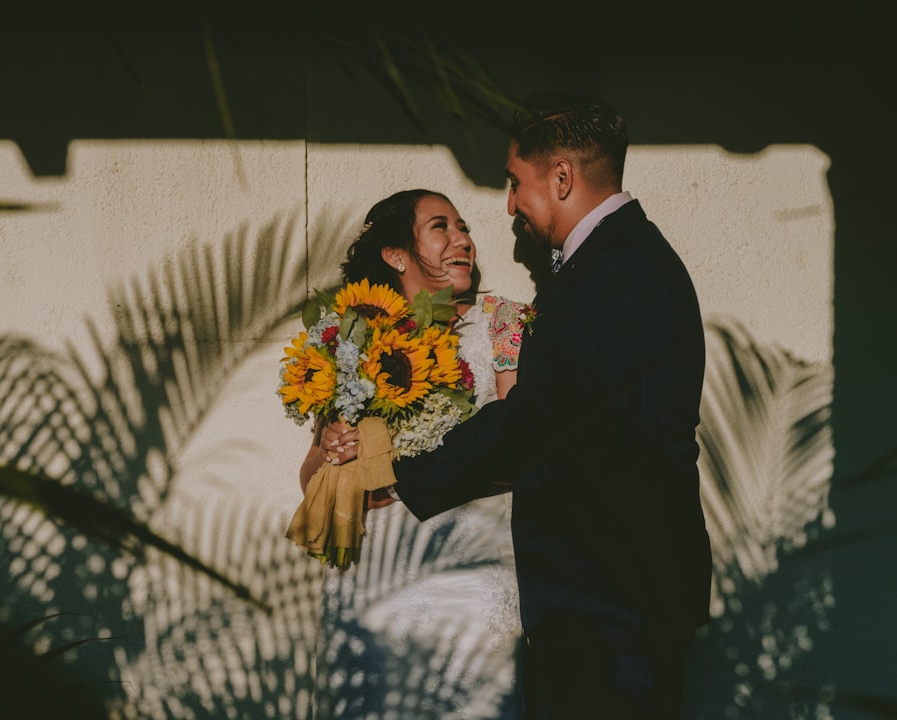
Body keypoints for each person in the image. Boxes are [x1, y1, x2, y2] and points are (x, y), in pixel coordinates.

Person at [372, 93, 713, 718]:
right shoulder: (604, 262)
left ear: (561, 178)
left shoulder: (621, 267)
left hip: (618, 593)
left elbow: (539, 413)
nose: (507, 205)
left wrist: (407, 478)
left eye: (513, 183)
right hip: (601, 593)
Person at [298, 188, 528, 719]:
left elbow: (520, 441)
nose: (462, 239)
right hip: (375, 569)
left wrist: (404, 476)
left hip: (473, 564)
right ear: (396, 254)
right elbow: (310, 479)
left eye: (463, 227)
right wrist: (333, 448)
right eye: (440, 227)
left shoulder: (503, 321)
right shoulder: (351, 339)